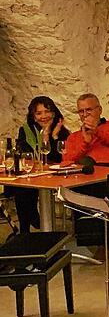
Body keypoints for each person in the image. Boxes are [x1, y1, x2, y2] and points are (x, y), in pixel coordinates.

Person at [7, 96, 70, 232]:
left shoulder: (62, 133)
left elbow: (59, 158)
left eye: (47, 112)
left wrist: (51, 136)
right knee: (22, 188)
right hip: (34, 174)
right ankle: (25, 229)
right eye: (39, 113)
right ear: (34, 117)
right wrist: (43, 138)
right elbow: (27, 155)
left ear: (53, 113)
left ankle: (39, 222)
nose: (44, 116)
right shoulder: (26, 131)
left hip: (56, 176)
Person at [62, 93, 109, 167]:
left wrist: (97, 132)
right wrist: (85, 143)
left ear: (100, 110)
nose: (85, 114)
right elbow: (67, 161)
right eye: (81, 111)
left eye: (89, 110)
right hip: (85, 173)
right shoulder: (73, 137)